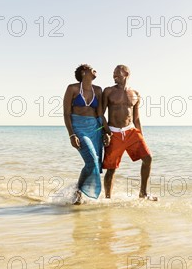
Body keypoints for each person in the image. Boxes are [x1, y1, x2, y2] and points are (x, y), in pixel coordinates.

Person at [102, 65, 157, 200]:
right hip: (114, 132)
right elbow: (100, 114)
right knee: (111, 169)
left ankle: (143, 193)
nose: (114, 76)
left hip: (131, 131)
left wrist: (141, 137)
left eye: (117, 74)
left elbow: (136, 118)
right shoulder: (108, 91)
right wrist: (106, 132)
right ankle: (108, 198)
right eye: (113, 74)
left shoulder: (135, 94)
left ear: (126, 74)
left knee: (148, 158)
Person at [63, 64, 109, 204]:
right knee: (91, 160)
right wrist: (71, 135)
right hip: (79, 127)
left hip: (95, 128)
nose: (95, 69)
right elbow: (66, 113)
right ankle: (79, 192)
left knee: (95, 163)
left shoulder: (98, 90)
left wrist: (106, 132)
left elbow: (100, 113)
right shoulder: (72, 88)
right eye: (92, 68)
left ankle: (78, 195)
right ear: (84, 72)